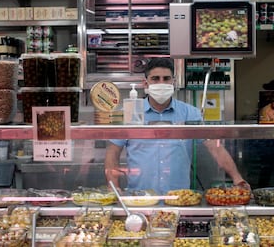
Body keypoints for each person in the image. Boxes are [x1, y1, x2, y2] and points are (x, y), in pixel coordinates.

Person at [105, 57, 248, 194]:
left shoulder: (190, 113)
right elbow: (113, 152)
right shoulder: (130, 112)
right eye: (155, 79)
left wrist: (237, 178)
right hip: (139, 197)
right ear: (146, 83)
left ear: (173, 82)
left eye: (166, 79)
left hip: (179, 197)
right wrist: (113, 186)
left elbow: (215, 148)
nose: (161, 83)